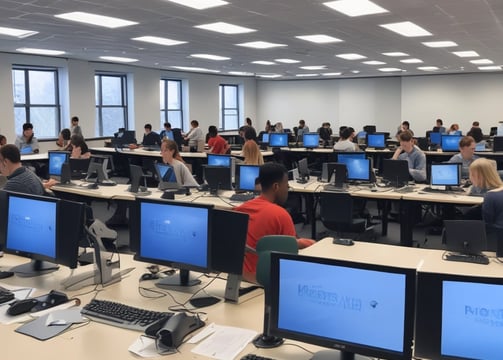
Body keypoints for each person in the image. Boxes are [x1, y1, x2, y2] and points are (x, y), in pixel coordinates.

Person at [234, 162, 315, 283]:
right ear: (276, 187)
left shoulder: (240, 209)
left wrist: (302, 242)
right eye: (286, 186)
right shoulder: (280, 215)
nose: (288, 190)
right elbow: (290, 255)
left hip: (240, 277)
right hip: (266, 280)